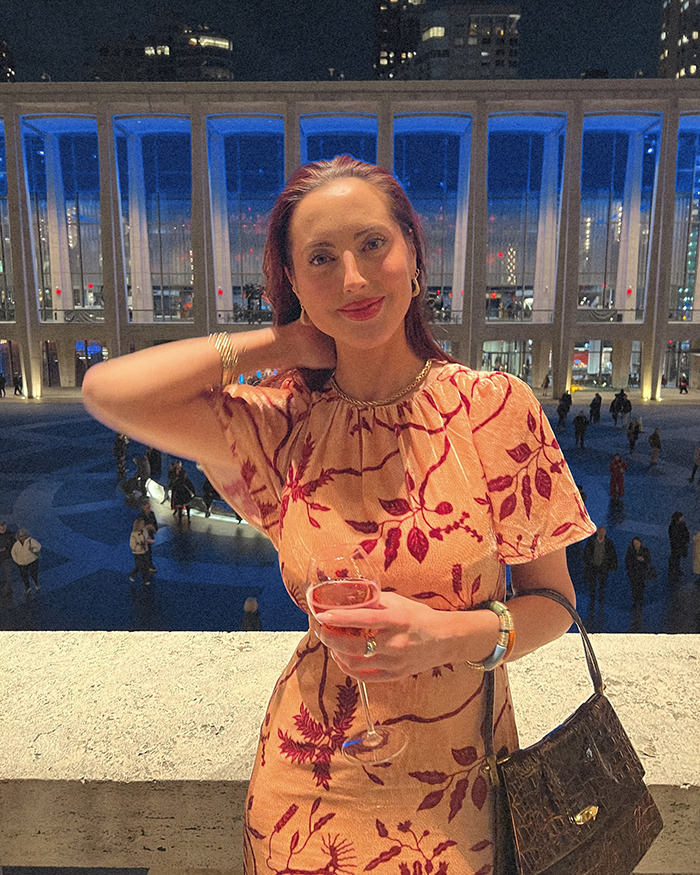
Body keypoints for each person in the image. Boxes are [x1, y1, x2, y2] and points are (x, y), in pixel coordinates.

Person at [82, 154, 595, 874]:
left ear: (413, 254)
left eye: (372, 245)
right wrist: (287, 339)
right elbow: (110, 391)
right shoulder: (287, 423)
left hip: (458, 796)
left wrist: (441, 634)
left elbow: (554, 603)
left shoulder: (492, 409)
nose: (352, 278)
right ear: (292, 280)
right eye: (321, 258)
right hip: (306, 792)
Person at [583, 525, 618, 608]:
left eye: (603, 532)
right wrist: (588, 562)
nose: (602, 533)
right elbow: (586, 553)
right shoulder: (592, 541)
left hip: (603, 567)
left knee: (602, 584)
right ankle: (592, 599)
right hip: (593, 566)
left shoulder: (608, 543)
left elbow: (612, 555)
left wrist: (612, 565)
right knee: (592, 584)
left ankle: (600, 600)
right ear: (597, 532)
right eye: (600, 531)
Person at [625, 536, 653, 611]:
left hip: (641, 572)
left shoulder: (645, 551)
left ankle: (639, 600)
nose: (636, 545)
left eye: (637, 543)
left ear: (640, 543)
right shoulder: (630, 551)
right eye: (634, 543)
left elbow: (648, 560)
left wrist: (643, 559)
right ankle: (635, 601)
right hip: (633, 573)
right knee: (634, 588)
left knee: (641, 587)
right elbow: (627, 560)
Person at [11, 529, 41, 594]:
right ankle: (27, 587)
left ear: (26, 535)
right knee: (24, 576)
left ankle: (36, 583)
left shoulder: (31, 541)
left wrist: (33, 550)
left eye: (23, 535)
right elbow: (13, 553)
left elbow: (38, 546)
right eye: (21, 536)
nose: (22, 537)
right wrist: (17, 560)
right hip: (22, 563)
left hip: (32, 561)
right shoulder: (16, 544)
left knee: (34, 574)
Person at [129, 517, 153, 586]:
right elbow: (132, 545)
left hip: (145, 551)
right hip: (137, 553)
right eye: (142, 524)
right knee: (139, 566)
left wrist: (149, 540)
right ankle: (133, 575)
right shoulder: (134, 534)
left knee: (145, 566)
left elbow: (147, 537)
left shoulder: (144, 531)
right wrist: (139, 545)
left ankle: (146, 579)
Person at [136, 499, 158, 574]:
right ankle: (147, 566)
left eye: (149, 507)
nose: (148, 509)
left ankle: (148, 565)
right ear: (143, 508)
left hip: (150, 536)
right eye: (147, 508)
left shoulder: (152, 514)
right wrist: (146, 527)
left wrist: (154, 529)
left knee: (149, 551)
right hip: (143, 537)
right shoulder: (140, 516)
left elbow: (155, 524)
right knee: (145, 552)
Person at [668, 510, 690, 578]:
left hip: (680, 544)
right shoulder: (673, 526)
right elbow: (674, 536)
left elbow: (686, 532)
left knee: (678, 557)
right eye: (680, 517)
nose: (682, 518)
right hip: (676, 545)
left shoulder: (682, 524)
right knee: (674, 557)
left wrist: (686, 540)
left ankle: (677, 569)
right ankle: (672, 570)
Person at [0, 521, 16, 600]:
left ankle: (8, 589)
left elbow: (14, 545)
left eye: (4, 526)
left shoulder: (10, 534)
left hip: (7, 557)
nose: (2, 528)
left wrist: (6, 548)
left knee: (8, 574)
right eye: (1, 526)